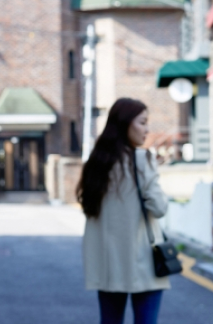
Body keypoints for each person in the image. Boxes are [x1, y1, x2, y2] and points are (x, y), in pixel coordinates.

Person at [77, 98, 170, 324]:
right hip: (142, 261)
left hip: (108, 265)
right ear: (125, 123)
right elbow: (159, 208)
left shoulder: (96, 164)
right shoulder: (142, 159)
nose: (147, 130)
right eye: (142, 122)